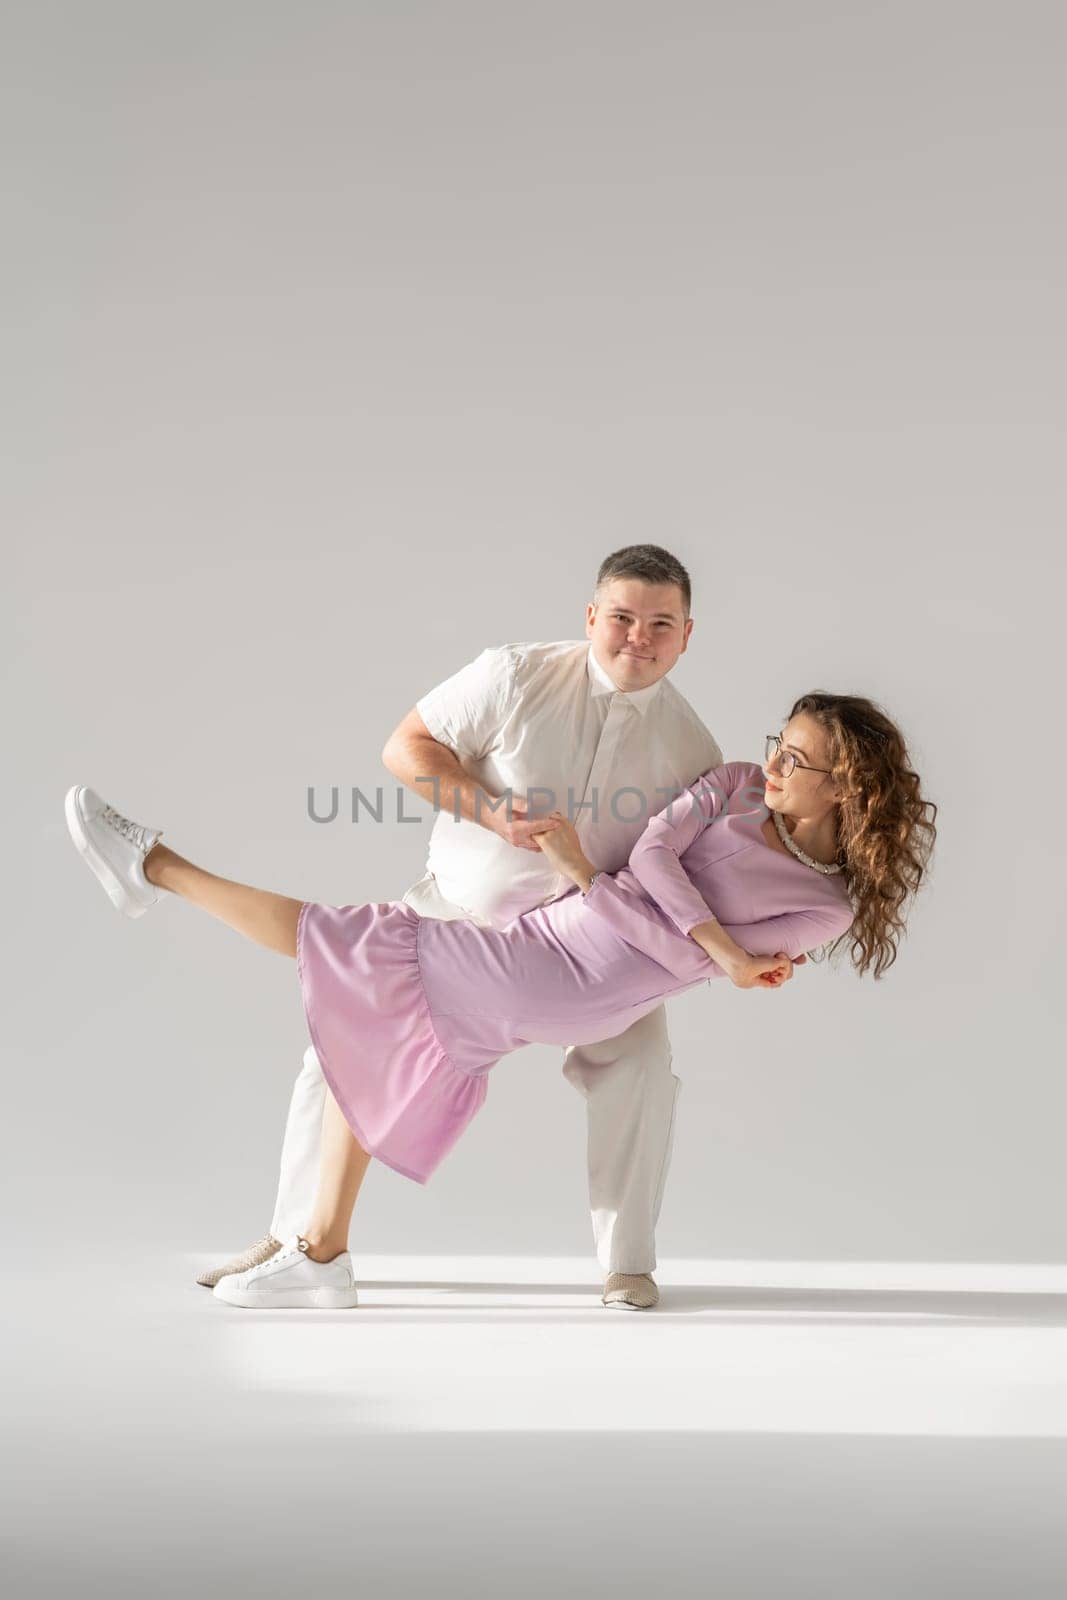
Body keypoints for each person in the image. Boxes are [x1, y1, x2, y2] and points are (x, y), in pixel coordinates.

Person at [65, 691, 936, 1311]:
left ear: (845, 789)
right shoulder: (738, 781)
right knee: (368, 1035)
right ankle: (318, 1252)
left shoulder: (823, 905)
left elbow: (668, 945)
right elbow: (661, 862)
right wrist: (710, 944)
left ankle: (155, 866)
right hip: (554, 928)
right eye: (777, 742)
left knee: (351, 940)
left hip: (586, 983)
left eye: (797, 758)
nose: (773, 762)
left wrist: (637, 907)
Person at [203, 545, 740, 1311]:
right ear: (591, 617)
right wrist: (491, 813)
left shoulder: (695, 752)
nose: (637, 639)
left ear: (687, 635)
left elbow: (683, 872)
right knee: (334, 1050)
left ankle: (628, 1266)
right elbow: (405, 748)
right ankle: (295, 1240)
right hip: (454, 916)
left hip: (591, 951)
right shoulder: (515, 674)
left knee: (644, 1068)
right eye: (620, 618)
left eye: (660, 624)